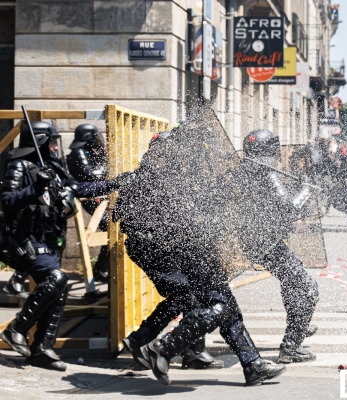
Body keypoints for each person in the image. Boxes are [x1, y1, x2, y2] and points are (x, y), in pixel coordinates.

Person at [0, 121, 126, 370]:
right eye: (52, 141)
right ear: (40, 141)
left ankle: (41, 349)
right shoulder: (20, 166)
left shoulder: (54, 168)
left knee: (59, 286)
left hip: (45, 240)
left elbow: (78, 188)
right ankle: (16, 328)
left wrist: (116, 183)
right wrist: (36, 186)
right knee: (56, 278)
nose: (57, 146)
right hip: (21, 239)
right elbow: (7, 201)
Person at [118, 128, 223, 371]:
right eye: (167, 152)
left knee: (189, 293)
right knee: (185, 295)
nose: (174, 157)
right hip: (149, 246)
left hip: (158, 245)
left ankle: (189, 350)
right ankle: (142, 341)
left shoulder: (165, 175)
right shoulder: (147, 177)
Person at [239, 129, 319, 363]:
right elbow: (289, 207)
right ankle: (292, 345)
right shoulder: (267, 174)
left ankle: (298, 324)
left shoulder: (243, 171)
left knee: (292, 281)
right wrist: (308, 189)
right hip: (268, 243)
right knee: (306, 288)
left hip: (254, 241)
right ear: (271, 151)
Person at [66, 124, 110, 282]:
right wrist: (108, 170)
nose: (99, 139)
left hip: (98, 196)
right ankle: (101, 269)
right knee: (110, 227)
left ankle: (101, 268)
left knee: (112, 228)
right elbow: (90, 175)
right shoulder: (79, 152)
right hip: (90, 197)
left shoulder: (91, 151)